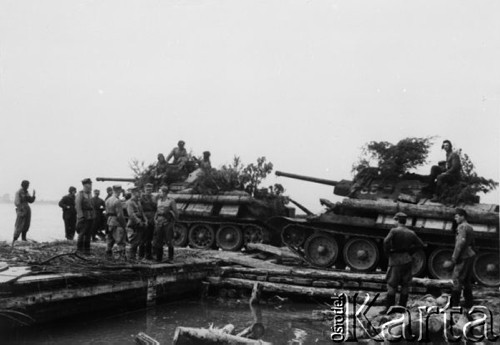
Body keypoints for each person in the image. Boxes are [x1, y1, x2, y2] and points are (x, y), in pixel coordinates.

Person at [382, 212, 425, 312]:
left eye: (395, 220)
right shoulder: (411, 233)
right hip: (407, 260)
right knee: (405, 284)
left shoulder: (394, 231)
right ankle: (402, 307)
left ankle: (390, 307)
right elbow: (421, 244)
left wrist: (388, 252)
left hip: (395, 260)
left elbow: (386, 241)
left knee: (392, 284)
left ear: (397, 220)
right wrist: (410, 252)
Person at [443, 208, 476, 308]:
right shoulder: (470, 227)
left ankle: (454, 305)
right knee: (466, 280)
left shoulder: (462, 227)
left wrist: (454, 257)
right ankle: (469, 303)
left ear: (463, 216)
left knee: (456, 279)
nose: (455, 218)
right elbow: (473, 242)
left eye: (457, 216)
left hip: (463, 255)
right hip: (470, 254)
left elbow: (460, 244)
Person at [152, 185, 179, 262]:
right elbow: (157, 211)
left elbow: (176, 213)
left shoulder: (171, 201)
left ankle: (170, 258)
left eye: (160, 191)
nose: (159, 193)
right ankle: (159, 258)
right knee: (158, 240)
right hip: (159, 222)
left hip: (167, 222)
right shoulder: (158, 200)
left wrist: (173, 222)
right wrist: (155, 219)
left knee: (169, 240)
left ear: (164, 192)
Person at [105, 185, 128, 259]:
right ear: (118, 191)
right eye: (120, 191)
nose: (120, 193)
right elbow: (120, 215)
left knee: (110, 241)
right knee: (120, 241)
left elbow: (107, 213)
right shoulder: (117, 201)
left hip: (110, 222)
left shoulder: (108, 200)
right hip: (117, 223)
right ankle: (121, 259)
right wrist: (124, 225)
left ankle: (107, 257)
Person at [75, 178, 96, 254]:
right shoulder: (80, 194)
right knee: (82, 233)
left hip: (90, 216)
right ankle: (79, 250)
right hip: (84, 217)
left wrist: (94, 216)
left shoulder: (90, 194)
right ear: (84, 185)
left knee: (89, 234)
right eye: (89, 184)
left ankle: (87, 250)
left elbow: (92, 206)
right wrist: (81, 217)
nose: (90, 186)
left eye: (91, 184)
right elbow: (78, 207)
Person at [12, 180, 36, 245]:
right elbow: (16, 202)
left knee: (26, 224)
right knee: (19, 224)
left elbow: (30, 200)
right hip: (21, 209)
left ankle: (24, 238)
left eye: (28, 185)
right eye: (26, 185)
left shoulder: (26, 192)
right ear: (22, 185)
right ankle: (14, 239)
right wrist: (21, 208)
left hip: (27, 208)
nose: (27, 186)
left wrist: (33, 195)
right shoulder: (19, 192)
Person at [126, 187, 146, 260]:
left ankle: (139, 258)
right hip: (133, 224)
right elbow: (131, 214)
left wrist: (145, 220)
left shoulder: (138, 202)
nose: (140, 193)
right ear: (134, 193)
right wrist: (138, 221)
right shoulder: (129, 202)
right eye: (138, 192)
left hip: (140, 224)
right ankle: (132, 258)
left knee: (140, 241)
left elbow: (142, 212)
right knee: (134, 242)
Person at [140, 183, 157, 260]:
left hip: (152, 218)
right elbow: (140, 209)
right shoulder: (141, 198)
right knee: (143, 238)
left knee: (150, 238)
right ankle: (141, 255)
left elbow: (156, 207)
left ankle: (148, 255)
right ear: (144, 189)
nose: (149, 191)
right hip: (144, 218)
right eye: (147, 189)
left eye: (150, 189)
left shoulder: (153, 197)